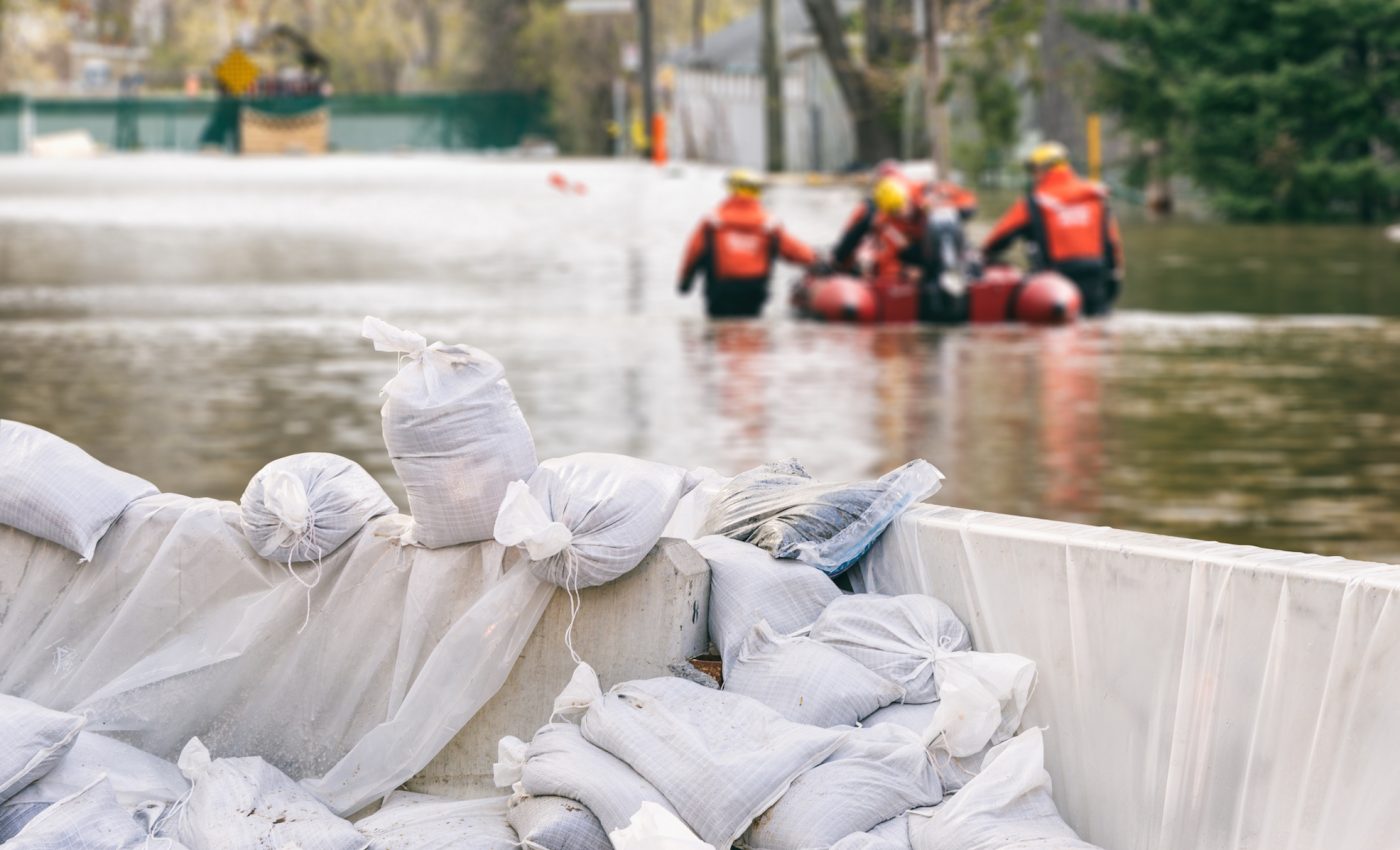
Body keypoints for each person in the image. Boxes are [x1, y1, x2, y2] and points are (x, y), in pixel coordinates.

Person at [981, 141, 1124, 316]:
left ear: (1043, 169)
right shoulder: (1095, 197)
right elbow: (1112, 243)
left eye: (1033, 170)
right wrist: (1114, 277)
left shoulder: (1035, 202)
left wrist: (983, 255)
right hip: (1097, 278)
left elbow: (997, 239)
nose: (1033, 176)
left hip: (1055, 284)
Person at [678, 169, 817, 318]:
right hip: (754, 292)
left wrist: (685, 282)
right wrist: (816, 259)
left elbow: (693, 252)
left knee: (718, 332)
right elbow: (793, 250)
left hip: (720, 292)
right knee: (752, 331)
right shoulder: (769, 224)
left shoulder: (713, 220)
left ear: (731, 189)